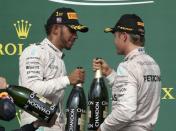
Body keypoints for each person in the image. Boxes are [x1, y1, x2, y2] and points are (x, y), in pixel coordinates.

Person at [19, 7, 88, 131]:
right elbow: (30, 90)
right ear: (56, 29)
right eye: (72, 30)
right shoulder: (34, 51)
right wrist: (67, 80)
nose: (75, 36)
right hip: (37, 126)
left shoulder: (59, 59)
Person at [93, 14, 161, 131]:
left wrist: (102, 128)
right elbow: (134, 91)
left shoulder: (128, 66)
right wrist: (109, 73)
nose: (114, 41)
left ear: (124, 36)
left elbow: (125, 112)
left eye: (115, 36)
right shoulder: (153, 64)